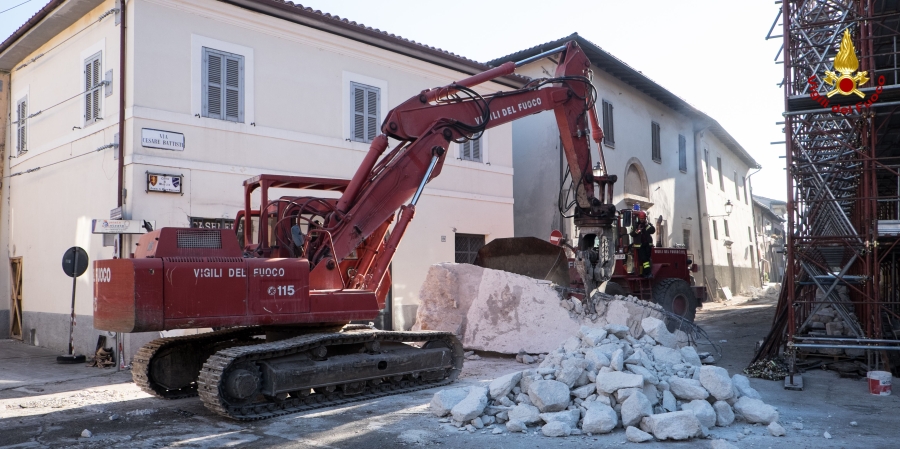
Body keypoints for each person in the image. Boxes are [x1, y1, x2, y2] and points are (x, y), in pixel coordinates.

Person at [630, 210, 656, 278]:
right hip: (639, 246)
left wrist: (647, 225)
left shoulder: (648, 225)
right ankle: (647, 273)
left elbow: (652, 231)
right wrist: (638, 230)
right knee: (644, 259)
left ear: (645, 218)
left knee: (647, 259)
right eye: (641, 219)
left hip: (648, 245)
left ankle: (645, 273)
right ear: (639, 218)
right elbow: (632, 234)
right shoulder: (635, 225)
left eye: (643, 218)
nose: (642, 220)